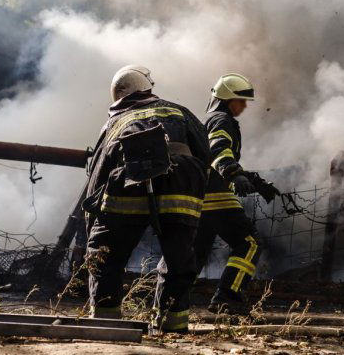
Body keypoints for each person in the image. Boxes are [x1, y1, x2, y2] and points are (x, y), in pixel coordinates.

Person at [83, 65, 209, 333]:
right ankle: (171, 325)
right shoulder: (179, 111)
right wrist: (196, 183)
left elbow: (98, 171)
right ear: (146, 88)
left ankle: (105, 324)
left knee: (106, 255)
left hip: (129, 184)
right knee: (179, 258)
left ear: (119, 94)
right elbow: (204, 149)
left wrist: (93, 222)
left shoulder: (117, 121)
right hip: (181, 184)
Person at [196, 73, 280, 314]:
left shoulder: (210, 119)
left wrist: (255, 181)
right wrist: (233, 173)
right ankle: (227, 298)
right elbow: (219, 150)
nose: (243, 106)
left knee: (195, 254)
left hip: (201, 196)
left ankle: (171, 301)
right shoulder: (222, 120)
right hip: (216, 196)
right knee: (250, 243)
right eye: (240, 100)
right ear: (225, 99)